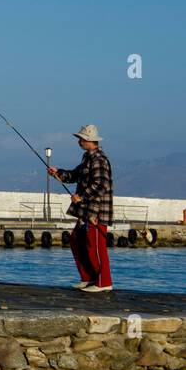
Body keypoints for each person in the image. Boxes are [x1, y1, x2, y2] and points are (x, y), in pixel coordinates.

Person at [48, 125, 113, 293]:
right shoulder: (87, 158)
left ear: (90, 140)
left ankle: (103, 281)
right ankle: (88, 278)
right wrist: (58, 173)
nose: (79, 141)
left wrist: (82, 196)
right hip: (86, 211)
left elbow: (101, 184)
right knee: (77, 240)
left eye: (81, 139)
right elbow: (74, 175)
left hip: (96, 211)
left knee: (96, 246)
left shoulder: (99, 159)